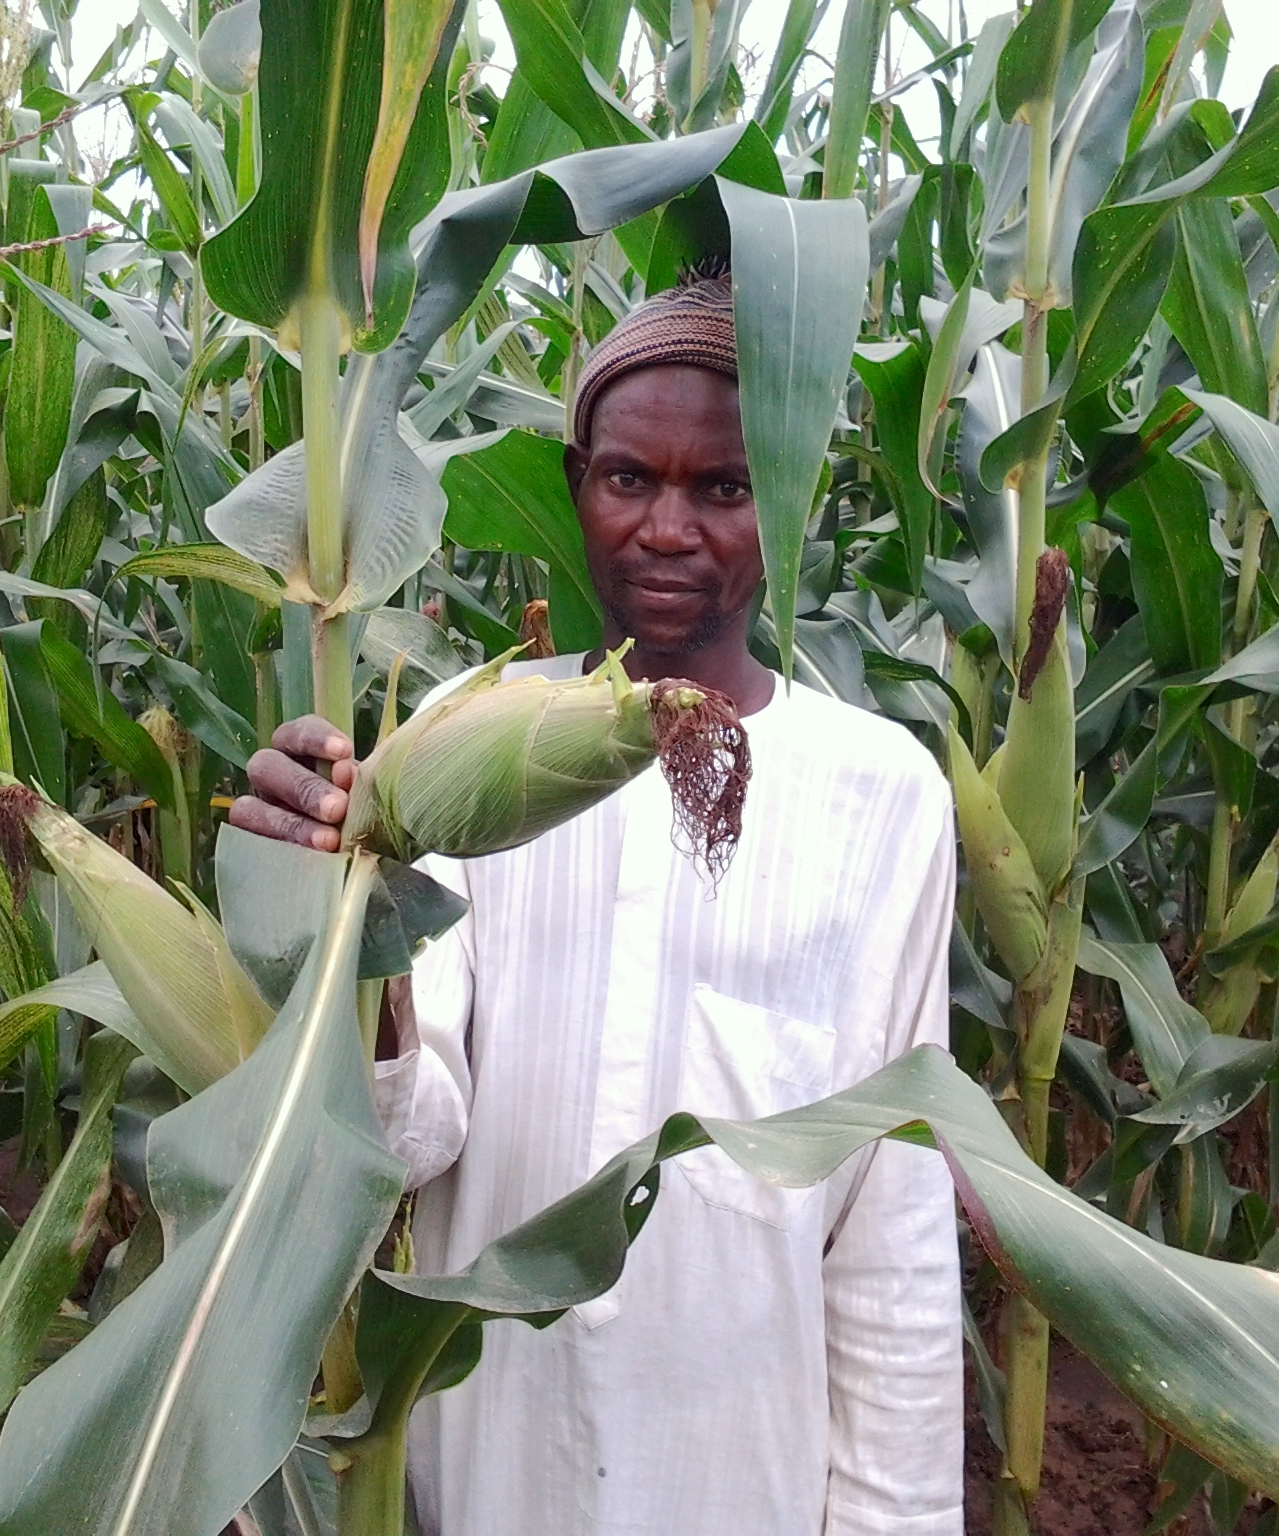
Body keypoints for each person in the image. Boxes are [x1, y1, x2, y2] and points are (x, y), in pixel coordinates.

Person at [232, 265, 963, 1536]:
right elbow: (409, 1136)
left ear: (777, 497)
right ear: (575, 487)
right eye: (629, 478)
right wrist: (342, 914)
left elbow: (888, 1234)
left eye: (722, 488)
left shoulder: (882, 796)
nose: (667, 528)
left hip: (744, 1475)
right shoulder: (464, 743)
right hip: (490, 1450)